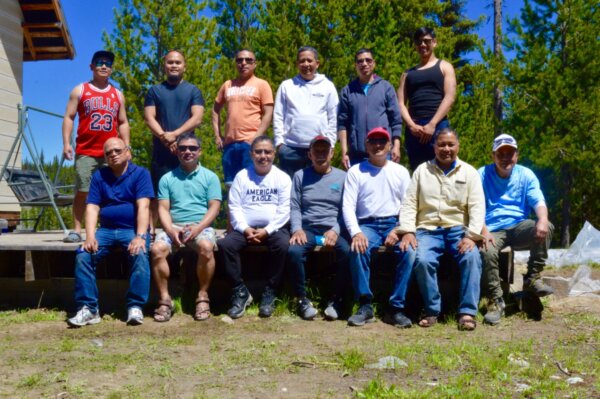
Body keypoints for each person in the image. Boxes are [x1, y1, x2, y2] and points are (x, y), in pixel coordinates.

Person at [395, 128, 484, 331]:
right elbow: (409, 203)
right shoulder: (421, 171)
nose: (446, 149)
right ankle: (432, 309)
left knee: (472, 257)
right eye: (441, 144)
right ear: (434, 147)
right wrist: (408, 230)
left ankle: (468, 312)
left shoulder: (469, 172)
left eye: (450, 144)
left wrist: (471, 236)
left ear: (458, 146)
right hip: (427, 230)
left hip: (457, 230)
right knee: (422, 260)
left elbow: (477, 207)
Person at [67, 138, 152, 327]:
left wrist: (140, 236)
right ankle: (89, 308)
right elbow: (92, 208)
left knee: (139, 252)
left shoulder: (140, 174)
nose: (113, 154)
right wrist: (89, 237)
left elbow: (144, 206)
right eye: (108, 153)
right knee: (83, 255)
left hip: (131, 229)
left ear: (127, 152)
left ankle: (135, 306)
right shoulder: (100, 176)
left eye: (117, 150)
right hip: (105, 230)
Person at [342, 127, 414, 327]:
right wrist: (356, 232)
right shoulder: (356, 171)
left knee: (409, 251)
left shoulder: (400, 171)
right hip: (367, 224)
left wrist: (401, 229)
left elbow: (409, 205)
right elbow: (348, 206)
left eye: (382, 141)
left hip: (394, 223)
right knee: (357, 249)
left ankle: (396, 308)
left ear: (390, 146)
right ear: (366, 145)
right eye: (373, 141)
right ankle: (365, 305)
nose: (378, 145)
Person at [479, 134, 554, 325]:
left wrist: (543, 219)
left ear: (517, 155)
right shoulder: (481, 174)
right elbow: (474, 206)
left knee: (547, 226)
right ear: (493, 155)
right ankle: (496, 300)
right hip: (493, 227)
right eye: (500, 153)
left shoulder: (526, 174)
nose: (505, 157)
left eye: (510, 153)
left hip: (519, 225)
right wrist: (483, 230)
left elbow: (538, 201)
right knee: (487, 251)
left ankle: (532, 277)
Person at [217, 136, 291, 319]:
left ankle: (270, 292)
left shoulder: (282, 178)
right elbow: (234, 206)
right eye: (258, 151)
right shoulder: (242, 176)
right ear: (251, 154)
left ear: (274, 154)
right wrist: (244, 228)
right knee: (226, 245)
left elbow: (285, 209)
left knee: (283, 245)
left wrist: (267, 230)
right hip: (245, 228)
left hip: (274, 228)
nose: (263, 156)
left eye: (267, 152)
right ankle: (240, 291)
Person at [150, 133, 221, 322]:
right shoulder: (166, 178)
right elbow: (163, 209)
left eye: (192, 148)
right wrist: (171, 230)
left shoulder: (210, 177)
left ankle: (202, 297)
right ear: (177, 152)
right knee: (157, 250)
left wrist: (198, 228)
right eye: (182, 148)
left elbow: (214, 207)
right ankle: (165, 300)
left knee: (206, 247)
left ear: (200, 151)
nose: (187, 152)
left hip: (200, 226)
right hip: (173, 226)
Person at [62, 50, 130, 243]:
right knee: (83, 190)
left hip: (111, 153)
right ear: (91, 67)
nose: (103, 66)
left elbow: (123, 122)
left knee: (110, 192)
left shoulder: (118, 94)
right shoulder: (80, 90)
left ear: (111, 69)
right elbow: (69, 117)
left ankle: (105, 227)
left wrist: (127, 147)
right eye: (99, 62)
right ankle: (76, 229)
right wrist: (66, 143)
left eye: (107, 64)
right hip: (86, 151)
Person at [288, 135, 349, 321]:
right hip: (309, 230)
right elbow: (295, 206)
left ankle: (337, 300)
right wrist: (297, 229)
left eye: (325, 150)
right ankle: (302, 300)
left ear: (332, 153)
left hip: (332, 230)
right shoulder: (300, 176)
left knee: (348, 251)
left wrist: (335, 230)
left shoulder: (343, 177)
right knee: (294, 251)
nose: (321, 154)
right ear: (310, 154)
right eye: (317, 151)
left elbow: (346, 209)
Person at [144, 50, 205, 226]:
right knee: (156, 194)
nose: (174, 65)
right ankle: (151, 231)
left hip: (186, 150)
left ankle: (190, 228)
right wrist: (166, 138)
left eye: (178, 62)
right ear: (164, 66)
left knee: (187, 192)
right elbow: (149, 118)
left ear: (184, 66)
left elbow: (197, 118)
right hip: (161, 151)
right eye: (170, 62)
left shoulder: (193, 90)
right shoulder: (155, 90)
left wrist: (175, 136)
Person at [273, 46, 339, 177]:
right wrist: (279, 144)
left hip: (319, 148)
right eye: (302, 61)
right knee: (290, 190)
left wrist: (330, 143)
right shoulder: (286, 86)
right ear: (297, 64)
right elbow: (278, 115)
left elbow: (334, 117)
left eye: (309, 60)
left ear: (317, 63)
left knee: (314, 188)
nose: (306, 64)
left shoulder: (327, 86)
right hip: (290, 148)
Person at [212, 49, 274, 187]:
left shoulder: (261, 84)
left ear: (255, 64)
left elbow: (268, 113)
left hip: (250, 144)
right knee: (231, 187)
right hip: (229, 145)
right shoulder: (228, 85)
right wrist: (218, 135)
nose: (243, 63)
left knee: (251, 185)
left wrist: (256, 138)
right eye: (239, 60)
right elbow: (215, 110)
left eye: (248, 60)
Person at [397, 28, 456, 171]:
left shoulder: (445, 67)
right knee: (418, 171)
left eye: (427, 41)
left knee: (443, 168)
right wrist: (411, 125)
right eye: (419, 42)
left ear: (434, 43)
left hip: (438, 125)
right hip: (414, 129)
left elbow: (450, 97)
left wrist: (432, 124)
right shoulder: (407, 74)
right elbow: (400, 103)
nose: (423, 45)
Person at [338, 48, 403, 168]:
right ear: (355, 65)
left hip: (383, 152)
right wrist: (344, 152)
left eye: (368, 60)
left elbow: (396, 120)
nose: (364, 64)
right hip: (356, 155)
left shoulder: (386, 87)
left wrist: (396, 146)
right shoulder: (348, 91)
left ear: (374, 63)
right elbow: (342, 124)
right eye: (360, 61)